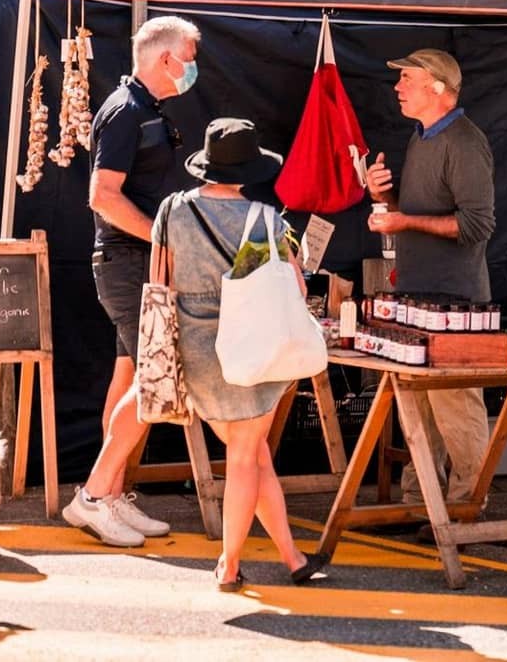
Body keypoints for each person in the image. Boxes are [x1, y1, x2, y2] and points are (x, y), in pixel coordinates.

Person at [72, 119, 332, 592]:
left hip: (191, 355)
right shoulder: (266, 219)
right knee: (245, 457)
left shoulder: (172, 210)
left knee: (252, 459)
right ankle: (229, 565)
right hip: (247, 352)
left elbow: (160, 280)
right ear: (249, 169)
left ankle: (293, 557)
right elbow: (294, 286)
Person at [66, 14, 200, 543]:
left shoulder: (146, 108)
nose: (193, 68)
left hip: (135, 260)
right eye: (189, 58)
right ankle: (95, 497)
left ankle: (112, 496)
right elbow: (102, 196)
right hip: (127, 262)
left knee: (128, 381)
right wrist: (161, 238)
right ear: (166, 59)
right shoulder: (125, 112)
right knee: (149, 382)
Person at [365, 49, 496, 507]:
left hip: (457, 302)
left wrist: (403, 223)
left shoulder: (464, 142)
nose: (398, 87)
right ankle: (420, 503)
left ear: (437, 87)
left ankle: (465, 507)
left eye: (407, 79)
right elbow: (415, 214)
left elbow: (477, 226)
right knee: (417, 409)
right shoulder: (421, 138)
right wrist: (385, 196)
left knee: (456, 410)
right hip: (417, 296)